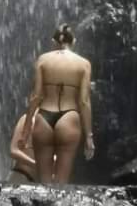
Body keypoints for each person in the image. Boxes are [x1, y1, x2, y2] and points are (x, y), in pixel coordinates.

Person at [18, 23, 94, 184]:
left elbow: (36, 96)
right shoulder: (83, 63)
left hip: (44, 115)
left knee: (44, 182)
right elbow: (84, 101)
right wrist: (89, 136)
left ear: (54, 41)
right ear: (74, 41)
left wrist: (25, 130)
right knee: (61, 182)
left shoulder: (43, 59)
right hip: (69, 116)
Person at [7, 112, 37, 184]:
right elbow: (13, 150)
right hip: (20, 176)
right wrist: (35, 164)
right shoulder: (28, 120)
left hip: (35, 180)